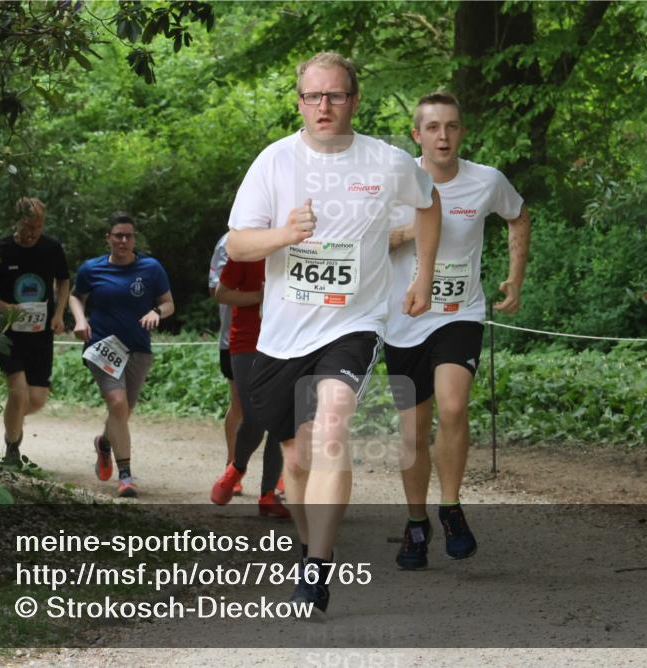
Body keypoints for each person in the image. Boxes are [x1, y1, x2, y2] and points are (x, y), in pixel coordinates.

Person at [226, 52, 442, 614]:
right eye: (313, 96)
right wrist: (282, 235)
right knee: (296, 460)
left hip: (354, 323)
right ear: (299, 101)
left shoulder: (387, 161)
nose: (324, 106)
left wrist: (425, 272)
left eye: (336, 95)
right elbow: (236, 244)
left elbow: (429, 202)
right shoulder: (274, 162)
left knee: (332, 427)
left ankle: (317, 572)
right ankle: (309, 542)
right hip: (283, 335)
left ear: (354, 99)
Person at [386, 92, 531, 569]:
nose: (442, 136)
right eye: (432, 128)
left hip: (459, 312)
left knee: (452, 405)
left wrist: (516, 273)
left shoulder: (486, 181)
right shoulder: (393, 180)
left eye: (451, 127)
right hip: (403, 319)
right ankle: (415, 522)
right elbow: (367, 239)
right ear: (416, 134)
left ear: (461, 132)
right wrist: (413, 228)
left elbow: (518, 215)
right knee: (413, 429)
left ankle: (449, 507)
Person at [69, 212, 174, 498]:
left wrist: (156, 312)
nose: (123, 241)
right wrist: (80, 320)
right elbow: (76, 295)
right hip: (102, 346)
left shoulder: (151, 268)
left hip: (138, 349)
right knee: (117, 403)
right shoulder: (92, 269)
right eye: (118, 235)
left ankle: (105, 443)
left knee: (123, 411)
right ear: (109, 238)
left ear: (134, 238)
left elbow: (168, 304)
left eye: (128, 236)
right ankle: (125, 476)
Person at [0, 197, 70, 464]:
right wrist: (3, 307)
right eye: (28, 227)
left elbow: (63, 280)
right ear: (17, 221)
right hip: (9, 334)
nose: (32, 233)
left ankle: (12, 419)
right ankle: (12, 448)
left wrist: (60, 313)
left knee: (36, 399)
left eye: (37, 227)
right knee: (18, 390)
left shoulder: (51, 248)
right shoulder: (0, 250)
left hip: (41, 335)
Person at [209, 257, 289, 518]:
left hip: (288, 343)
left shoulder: (302, 250)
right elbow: (221, 294)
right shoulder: (245, 253)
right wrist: (261, 295)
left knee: (280, 420)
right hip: (247, 343)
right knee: (254, 418)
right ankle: (237, 468)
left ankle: (268, 495)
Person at [209, 233, 244, 496]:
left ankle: (280, 474)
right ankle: (232, 466)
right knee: (240, 405)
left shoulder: (283, 235)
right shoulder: (227, 243)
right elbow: (216, 290)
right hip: (234, 337)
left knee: (279, 406)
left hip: (279, 337)